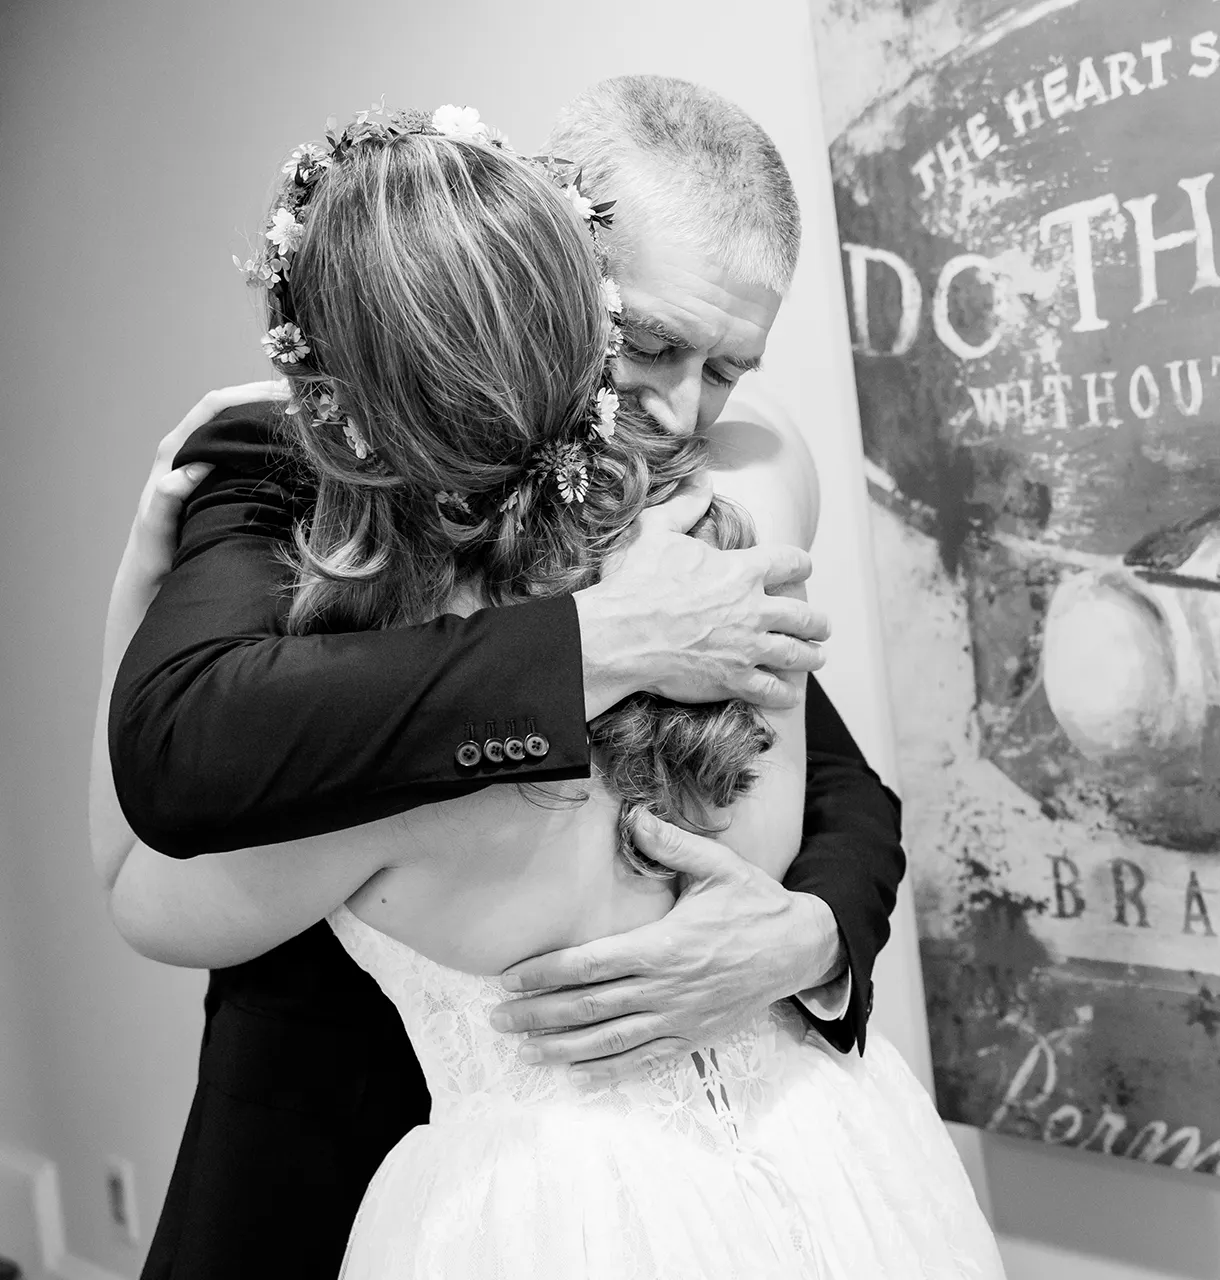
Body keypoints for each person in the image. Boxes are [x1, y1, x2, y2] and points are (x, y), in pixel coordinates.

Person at [93, 103, 1002, 1276]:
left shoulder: (710, 544)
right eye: (656, 345)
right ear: (561, 279)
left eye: (726, 369)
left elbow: (848, 794)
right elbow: (184, 745)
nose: (680, 410)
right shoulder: (279, 470)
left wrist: (810, 937)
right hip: (328, 1142)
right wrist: (594, 639)